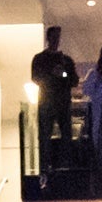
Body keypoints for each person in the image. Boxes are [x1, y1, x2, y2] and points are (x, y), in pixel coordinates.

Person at [29, 25, 78, 178]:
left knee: (65, 135)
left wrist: (63, 74)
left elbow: (74, 81)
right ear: (48, 38)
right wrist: (54, 74)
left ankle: (65, 164)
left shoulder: (66, 60)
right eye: (54, 37)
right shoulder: (40, 59)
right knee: (45, 136)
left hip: (61, 103)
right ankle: (46, 166)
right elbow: (35, 78)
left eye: (58, 37)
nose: (56, 40)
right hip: (47, 102)